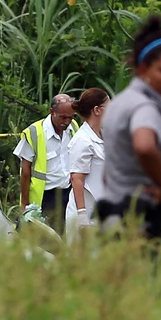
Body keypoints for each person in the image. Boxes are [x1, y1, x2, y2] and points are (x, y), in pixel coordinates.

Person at [97, 17, 161, 239]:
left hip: (114, 217)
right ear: (143, 68)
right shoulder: (145, 106)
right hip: (143, 223)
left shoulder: (118, 103)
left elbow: (109, 172)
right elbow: (144, 146)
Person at [13, 93, 80, 231]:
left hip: (68, 193)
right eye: (63, 117)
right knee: (44, 239)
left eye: (70, 117)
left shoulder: (73, 127)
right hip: (46, 197)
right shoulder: (34, 133)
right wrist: (24, 204)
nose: (67, 121)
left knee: (66, 235)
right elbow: (25, 171)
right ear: (52, 112)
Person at [65, 87, 109, 237]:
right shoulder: (83, 140)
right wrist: (82, 215)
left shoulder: (102, 136)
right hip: (86, 214)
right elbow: (77, 178)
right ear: (97, 110)